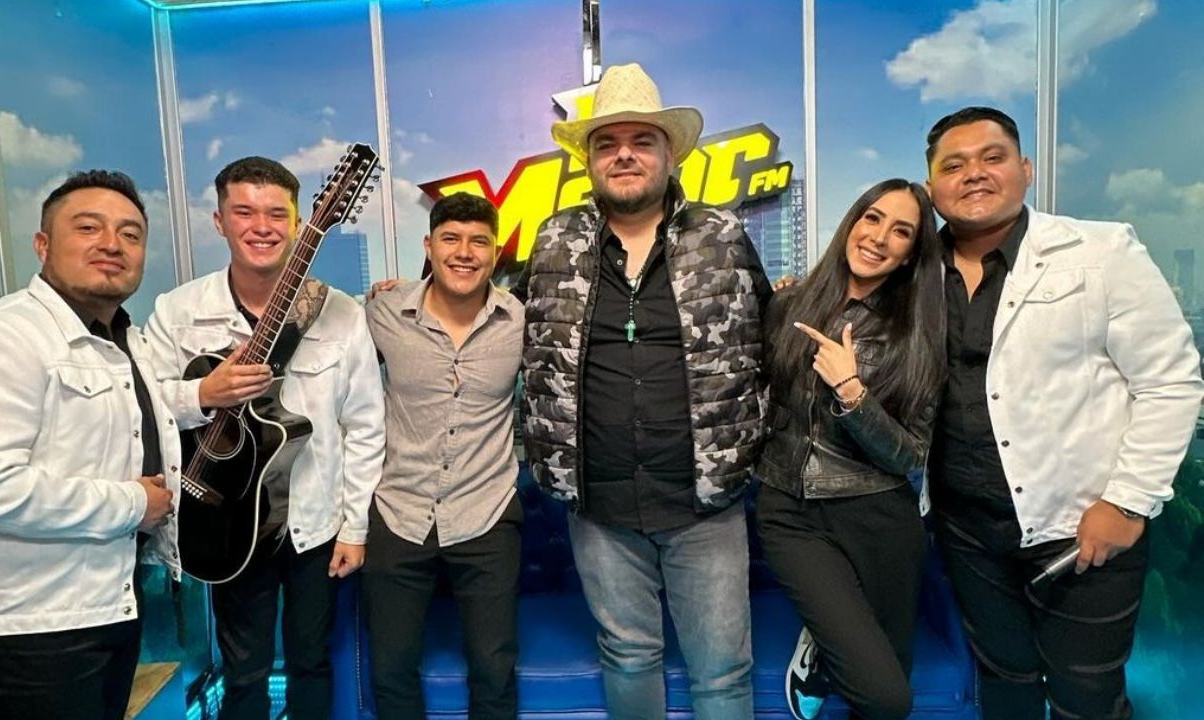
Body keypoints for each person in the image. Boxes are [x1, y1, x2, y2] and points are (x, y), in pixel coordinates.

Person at [923, 106, 1204, 720]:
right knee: (1005, 683)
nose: (974, 173)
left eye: (992, 157)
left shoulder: (1101, 251)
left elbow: (1171, 382)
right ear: (932, 187)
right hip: (967, 531)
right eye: (954, 165)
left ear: (1025, 169)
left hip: (1083, 527)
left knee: (1087, 697)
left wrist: (1127, 504)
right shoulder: (914, 273)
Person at [514, 63, 772, 719]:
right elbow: (505, 324)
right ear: (589, 160)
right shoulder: (554, 240)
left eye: (641, 141)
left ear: (668, 154)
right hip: (598, 505)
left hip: (705, 504)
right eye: (607, 143)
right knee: (628, 656)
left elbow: (771, 336)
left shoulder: (721, 236)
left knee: (722, 674)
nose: (624, 154)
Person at [0, 170, 178, 720]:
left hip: (104, 603)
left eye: (130, 234)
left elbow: (116, 424)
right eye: (88, 227)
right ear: (43, 245)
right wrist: (135, 503)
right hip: (32, 627)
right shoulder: (0, 336)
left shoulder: (120, 338)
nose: (112, 244)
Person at [144, 156, 385, 720]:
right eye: (244, 212)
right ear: (219, 220)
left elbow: (365, 426)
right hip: (227, 521)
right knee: (244, 671)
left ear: (300, 223)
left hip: (314, 523)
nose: (262, 226)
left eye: (277, 214)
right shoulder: (179, 313)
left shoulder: (340, 314)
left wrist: (355, 528)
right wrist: (202, 393)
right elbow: (141, 410)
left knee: (311, 662)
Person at [756, 179, 944, 720]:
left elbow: (910, 455)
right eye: (872, 218)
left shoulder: (917, 331)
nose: (879, 237)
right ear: (852, 222)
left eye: (901, 231)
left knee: (880, 699)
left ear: (911, 255)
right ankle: (824, 639)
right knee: (888, 699)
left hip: (880, 516)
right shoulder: (787, 305)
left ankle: (826, 644)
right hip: (791, 512)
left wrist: (852, 392)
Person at [363, 192, 523, 719]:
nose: (465, 252)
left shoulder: (520, 321)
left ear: (495, 253)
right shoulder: (383, 311)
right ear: (428, 246)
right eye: (451, 239)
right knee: (391, 670)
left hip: (486, 511)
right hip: (398, 511)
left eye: (479, 241)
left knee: (494, 669)